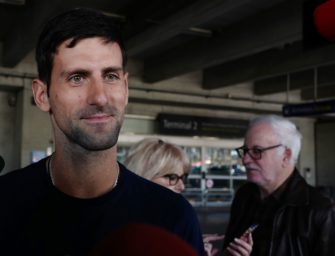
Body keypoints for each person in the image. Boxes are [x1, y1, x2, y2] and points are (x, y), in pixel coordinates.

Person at [0, 8, 204, 255]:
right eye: (77, 77)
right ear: (42, 96)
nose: (99, 96)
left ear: (125, 88)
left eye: (110, 75)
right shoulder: (5, 204)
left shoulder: (172, 215)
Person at [222, 115, 335, 256]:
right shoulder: (244, 196)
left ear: (285, 156)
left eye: (257, 151)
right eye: (245, 150)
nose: (244, 160)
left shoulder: (320, 211)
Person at [124, 138, 224, 256]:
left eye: (182, 178)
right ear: (144, 175)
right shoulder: (180, 215)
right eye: (172, 177)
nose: (182, 186)